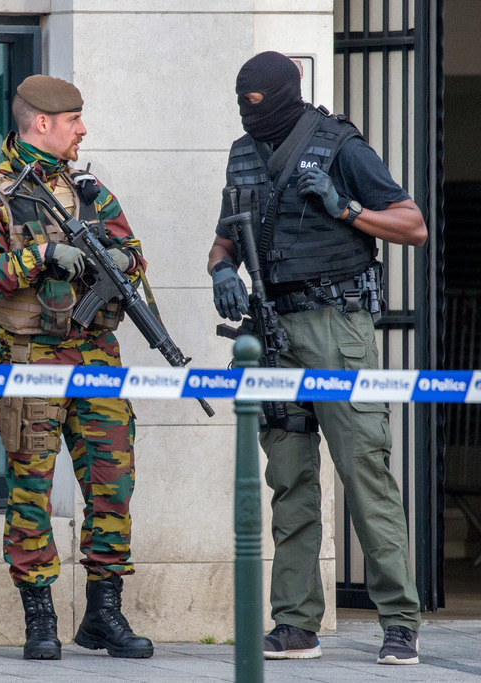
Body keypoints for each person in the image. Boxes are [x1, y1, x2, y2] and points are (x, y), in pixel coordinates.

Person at [207, 51, 428, 665]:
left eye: (260, 102)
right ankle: (296, 623)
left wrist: (346, 208)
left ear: (286, 93)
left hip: (337, 327)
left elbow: (413, 226)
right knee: (289, 479)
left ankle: (400, 622)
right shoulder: (242, 153)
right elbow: (223, 240)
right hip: (272, 330)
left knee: (363, 470)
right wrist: (223, 271)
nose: (251, 113)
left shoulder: (341, 147)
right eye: (241, 102)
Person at [0, 74, 155, 661]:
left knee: (112, 484)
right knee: (31, 490)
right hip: (31, 359)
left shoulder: (91, 192)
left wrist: (121, 257)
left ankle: (104, 613)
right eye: (74, 120)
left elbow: (135, 255)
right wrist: (41, 256)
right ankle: (39, 618)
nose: (83, 130)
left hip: (97, 357)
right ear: (41, 123)